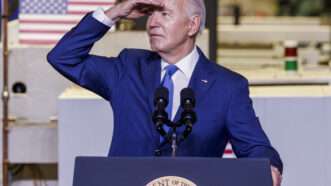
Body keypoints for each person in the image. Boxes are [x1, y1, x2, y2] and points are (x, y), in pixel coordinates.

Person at [47, 0, 282, 185]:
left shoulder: (227, 86)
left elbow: (255, 147)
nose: (152, 23)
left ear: (192, 24)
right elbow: (63, 57)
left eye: (165, 14)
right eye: (151, 14)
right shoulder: (128, 68)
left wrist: (268, 167)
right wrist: (115, 13)